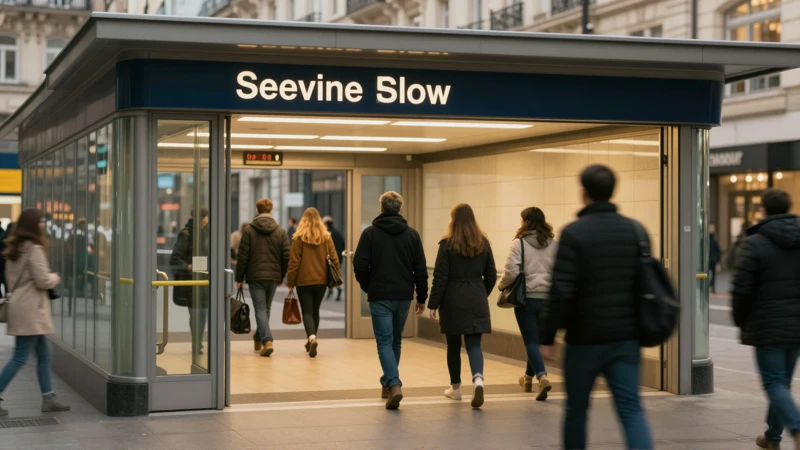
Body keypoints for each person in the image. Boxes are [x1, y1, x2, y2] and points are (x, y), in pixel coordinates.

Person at [540, 165, 653, 450]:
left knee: (577, 411)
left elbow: (561, 290)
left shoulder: (574, 233)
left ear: (584, 192)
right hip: (626, 339)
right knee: (631, 410)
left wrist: (547, 337)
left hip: (584, 341)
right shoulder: (635, 231)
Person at [732, 188, 800, 450]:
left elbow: (742, 288)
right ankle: (772, 437)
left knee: (773, 382)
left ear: (763, 210)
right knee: (781, 383)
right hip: (796, 325)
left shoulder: (754, 242)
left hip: (767, 325)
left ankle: (796, 426)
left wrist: (741, 320)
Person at [353, 191, 428, 410]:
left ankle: (394, 383)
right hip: (403, 295)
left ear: (382, 208)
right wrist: (421, 296)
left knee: (384, 342)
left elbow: (359, 265)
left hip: (380, 296)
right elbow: (420, 269)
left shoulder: (370, 234)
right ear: (400, 208)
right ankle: (388, 383)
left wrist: (369, 285)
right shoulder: (412, 235)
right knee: (395, 340)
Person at [0, 208, 70, 416]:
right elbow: (42, 280)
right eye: (41, 221)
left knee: (45, 353)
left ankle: (48, 398)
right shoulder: (34, 248)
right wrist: (55, 277)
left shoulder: (15, 248)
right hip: (31, 309)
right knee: (21, 356)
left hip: (21, 306)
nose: (44, 224)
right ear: (33, 225)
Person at [428, 203, 496, 408]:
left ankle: (455, 388)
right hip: (476, 296)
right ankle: (478, 380)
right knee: (474, 344)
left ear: (453, 220)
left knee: (453, 345)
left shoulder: (447, 244)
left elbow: (440, 277)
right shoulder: (483, 243)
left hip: (453, 298)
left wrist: (434, 303)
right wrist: (481, 292)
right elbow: (491, 275)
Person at [498, 206, 556, 401]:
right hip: (548, 300)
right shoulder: (553, 244)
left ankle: (543, 377)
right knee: (537, 340)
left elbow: (511, 272)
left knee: (531, 341)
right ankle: (528, 378)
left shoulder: (519, 244)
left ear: (525, 222)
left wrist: (501, 286)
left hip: (527, 300)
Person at [236, 199, 290, 357]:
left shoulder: (248, 231)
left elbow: (243, 256)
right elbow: (287, 256)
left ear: (257, 210)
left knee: (260, 308)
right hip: (273, 276)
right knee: (265, 308)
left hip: (255, 276)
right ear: (271, 210)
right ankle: (258, 337)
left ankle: (267, 340)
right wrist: (282, 275)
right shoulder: (280, 231)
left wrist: (239, 277)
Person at [287, 207, 339, 358]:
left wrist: (290, 281)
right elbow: (334, 258)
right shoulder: (326, 237)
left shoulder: (299, 238)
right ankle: (312, 339)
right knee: (315, 310)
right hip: (321, 280)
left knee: (307, 312)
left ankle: (311, 338)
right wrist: (336, 276)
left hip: (303, 281)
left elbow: (294, 263)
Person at [170, 207, 210, 356]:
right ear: (202, 218)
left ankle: (197, 340)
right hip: (191, 281)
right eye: (205, 218)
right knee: (195, 313)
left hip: (205, 279)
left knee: (203, 312)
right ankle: (196, 341)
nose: (206, 221)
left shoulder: (207, 233)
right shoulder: (186, 234)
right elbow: (175, 258)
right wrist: (188, 266)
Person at [323, 216, 345, 302]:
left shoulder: (328, 233)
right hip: (338, 257)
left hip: (331, 258)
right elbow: (342, 244)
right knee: (333, 274)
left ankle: (336, 289)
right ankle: (331, 290)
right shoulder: (338, 233)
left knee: (332, 274)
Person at [709, 224, 722, 293]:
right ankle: (710, 285)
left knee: (713, 275)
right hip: (708, 260)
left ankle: (713, 287)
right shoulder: (706, 239)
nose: (712, 229)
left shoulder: (714, 240)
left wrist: (718, 261)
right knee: (708, 275)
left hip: (713, 260)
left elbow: (718, 251)